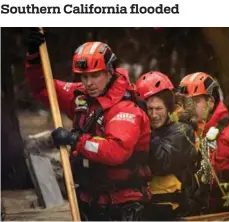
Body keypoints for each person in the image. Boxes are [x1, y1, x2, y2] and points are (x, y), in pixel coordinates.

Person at [25, 28, 151, 220]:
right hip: (88, 201)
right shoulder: (81, 96)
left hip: (123, 205)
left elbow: (116, 151)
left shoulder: (125, 109)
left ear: (109, 72)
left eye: (95, 75)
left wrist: (75, 140)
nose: (89, 83)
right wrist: (34, 58)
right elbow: (43, 88)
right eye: (84, 77)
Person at [177, 72, 229, 213]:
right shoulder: (191, 131)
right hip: (208, 210)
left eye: (195, 102)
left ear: (211, 102)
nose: (189, 108)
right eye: (186, 103)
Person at [135, 71, 200, 220]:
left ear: (169, 108)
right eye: (149, 109)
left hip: (172, 211)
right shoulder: (148, 129)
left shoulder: (183, 130)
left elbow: (162, 161)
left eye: (159, 109)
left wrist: (143, 130)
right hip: (146, 208)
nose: (154, 115)